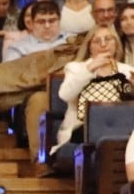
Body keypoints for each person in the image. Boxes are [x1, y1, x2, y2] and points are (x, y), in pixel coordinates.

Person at [50, 25, 134, 165]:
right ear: (89, 46)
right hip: (83, 128)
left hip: (122, 127)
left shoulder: (128, 70)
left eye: (108, 39)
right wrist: (90, 69)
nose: (103, 44)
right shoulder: (76, 68)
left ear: (116, 44)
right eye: (97, 41)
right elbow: (65, 95)